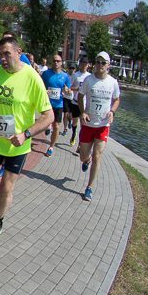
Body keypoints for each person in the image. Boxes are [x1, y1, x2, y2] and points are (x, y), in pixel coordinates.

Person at [0, 36, 53, 241]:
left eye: (7, 54)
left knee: (7, 187)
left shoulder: (32, 78)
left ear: (19, 52)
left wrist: (26, 134)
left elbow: (49, 116)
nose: (2, 58)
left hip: (18, 146)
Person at [77, 52, 121, 202]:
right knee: (84, 155)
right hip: (88, 124)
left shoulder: (113, 82)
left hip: (103, 125)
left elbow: (116, 99)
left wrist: (112, 112)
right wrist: (82, 112)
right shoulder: (88, 80)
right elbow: (80, 96)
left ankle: (89, 188)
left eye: (103, 63)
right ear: (95, 63)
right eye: (98, 62)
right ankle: (85, 160)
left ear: (108, 65)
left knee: (98, 156)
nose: (100, 65)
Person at [40, 54, 71, 157]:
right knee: (45, 123)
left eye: (58, 61)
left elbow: (69, 91)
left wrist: (67, 91)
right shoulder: (46, 74)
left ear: (61, 63)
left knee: (56, 126)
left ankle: (51, 147)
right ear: (51, 62)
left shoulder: (65, 76)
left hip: (59, 104)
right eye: (54, 61)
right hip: (47, 104)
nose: (56, 63)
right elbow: (39, 86)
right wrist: (44, 91)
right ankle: (47, 127)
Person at [66, 59, 91, 146]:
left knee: (83, 124)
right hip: (75, 102)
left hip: (84, 104)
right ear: (79, 64)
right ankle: (73, 134)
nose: (84, 65)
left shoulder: (90, 76)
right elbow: (69, 87)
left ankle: (80, 143)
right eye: (82, 63)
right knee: (74, 122)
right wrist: (76, 89)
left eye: (86, 64)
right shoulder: (75, 75)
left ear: (88, 65)